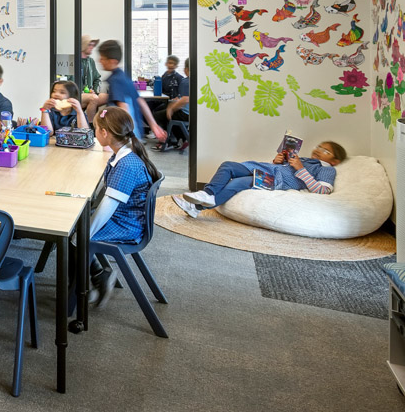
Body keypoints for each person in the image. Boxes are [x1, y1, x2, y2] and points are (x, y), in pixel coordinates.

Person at [86, 106, 160, 307]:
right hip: (127, 217)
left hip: (127, 226)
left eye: (95, 129)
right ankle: (98, 275)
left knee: (73, 236)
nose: (94, 133)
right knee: (75, 227)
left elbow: (107, 207)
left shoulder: (126, 164)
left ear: (104, 133)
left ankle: (83, 287)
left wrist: (85, 234)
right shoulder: (124, 153)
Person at [173, 140, 344, 217]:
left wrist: (299, 168)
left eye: (325, 151)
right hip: (266, 169)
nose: (319, 150)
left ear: (334, 161)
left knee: (238, 183)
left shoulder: (326, 169)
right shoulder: (307, 159)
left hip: (275, 181)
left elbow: (322, 191)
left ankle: (195, 208)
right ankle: (207, 194)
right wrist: (279, 161)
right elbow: (286, 167)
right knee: (228, 166)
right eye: (319, 146)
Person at [96, 39, 166, 143]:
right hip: (134, 135)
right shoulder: (123, 77)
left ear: (112, 61)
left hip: (126, 137)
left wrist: (126, 136)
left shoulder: (116, 80)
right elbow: (140, 101)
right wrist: (154, 126)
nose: (99, 61)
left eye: (102, 58)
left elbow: (124, 108)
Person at [154, 58, 191, 153]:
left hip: (185, 114)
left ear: (186, 69)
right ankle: (181, 138)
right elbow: (182, 98)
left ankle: (167, 141)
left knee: (157, 116)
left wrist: (171, 109)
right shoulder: (198, 81)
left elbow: (185, 99)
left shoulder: (186, 81)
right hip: (192, 113)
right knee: (164, 110)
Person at [79, 36, 102, 116]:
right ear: (83, 45)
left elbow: (97, 79)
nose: (92, 47)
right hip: (77, 95)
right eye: (90, 45)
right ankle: (90, 125)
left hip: (91, 93)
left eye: (93, 45)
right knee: (94, 98)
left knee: (109, 96)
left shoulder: (90, 61)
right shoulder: (74, 60)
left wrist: (95, 90)